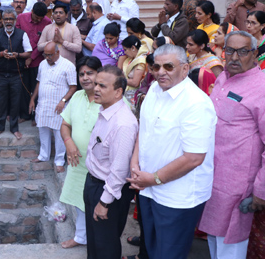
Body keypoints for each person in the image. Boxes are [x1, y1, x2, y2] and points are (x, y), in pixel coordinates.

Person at [128, 44, 217, 259]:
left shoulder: (196, 103)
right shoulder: (154, 90)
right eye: (156, 67)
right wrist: (134, 164)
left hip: (177, 195)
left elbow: (193, 158)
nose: (160, 72)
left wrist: (154, 178)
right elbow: (144, 128)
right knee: (152, 248)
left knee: (169, 253)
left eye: (168, 66)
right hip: (149, 188)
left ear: (185, 69)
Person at [197, 31, 265, 258]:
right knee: (215, 239)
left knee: (231, 244)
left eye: (243, 51)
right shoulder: (225, 76)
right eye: (230, 51)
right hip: (213, 175)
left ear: (255, 54)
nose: (235, 57)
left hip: (238, 183)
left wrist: (260, 190)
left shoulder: (261, 88)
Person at [84, 66, 137, 259]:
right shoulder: (105, 110)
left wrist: (104, 202)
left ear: (118, 92)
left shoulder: (123, 123)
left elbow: (119, 169)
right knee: (95, 242)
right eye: (96, 83)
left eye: (102, 86)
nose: (96, 88)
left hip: (108, 191)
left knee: (105, 245)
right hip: (94, 183)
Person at [59, 56, 102, 249]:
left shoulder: (109, 99)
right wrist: (69, 143)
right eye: (82, 74)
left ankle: (98, 241)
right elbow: (65, 124)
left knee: (100, 205)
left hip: (100, 166)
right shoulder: (76, 96)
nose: (85, 78)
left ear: (99, 74)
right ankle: (81, 236)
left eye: (89, 73)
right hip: (77, 162)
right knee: (78, 199)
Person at [29, 42, 77, 172]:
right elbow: (39, 82)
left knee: (59, 132)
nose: (47, 58)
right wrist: (33, 99)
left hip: (59, 106)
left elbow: (73, 87)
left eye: (50, 55)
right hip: (44, 104)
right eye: (45, 55)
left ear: (57, 53)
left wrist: (63, 100)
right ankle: (43, 155)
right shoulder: (42, 64)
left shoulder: (68, 66)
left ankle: (59, 161)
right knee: (42, 129)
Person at [0, 8, 32, 139]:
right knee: (1, 101)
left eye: (11, 19)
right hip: (1, 74)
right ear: (2, 20)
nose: (8, 21)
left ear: (15, 20)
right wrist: (2, 54)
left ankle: (14, 128)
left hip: (16, 74)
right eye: (6, 19)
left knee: (15, 101)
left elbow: (28, 52)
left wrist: (17, 55)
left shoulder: (21, 34)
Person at [15, 2, 52, 123]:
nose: (38, 21)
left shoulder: (47, 22)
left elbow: (45, 42)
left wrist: (31, 57)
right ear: (32, 12)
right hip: (22, 59)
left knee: (37, 88)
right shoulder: (21, 18)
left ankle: (36, 116)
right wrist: (24, 56)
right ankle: (25, 114)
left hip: (38, 60)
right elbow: (17, 37)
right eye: (36, 18)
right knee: (24, 87)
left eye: (40, 19)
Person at [118, 35, 146, 104]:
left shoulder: (140, 61)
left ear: (133, 48)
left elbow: (135, 83)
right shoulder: (131, 59)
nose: (125, 52)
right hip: (126, 92)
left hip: (134, 94)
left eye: (125, 49)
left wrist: (119, 79)